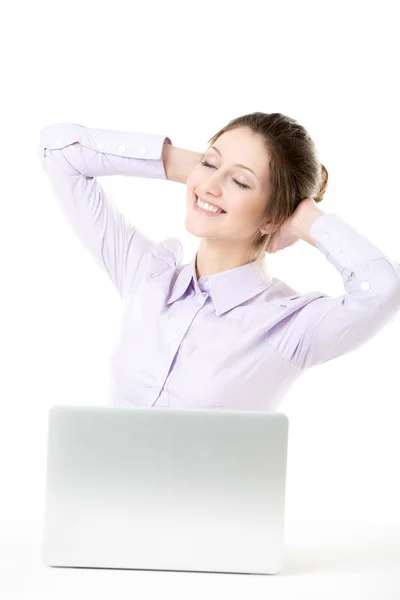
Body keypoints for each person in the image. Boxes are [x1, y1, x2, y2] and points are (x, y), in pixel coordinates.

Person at [38, 112, 400, 412]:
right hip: (98, 496)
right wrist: (185, 167)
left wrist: (306, 218)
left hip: (210, 502)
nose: (211, 184)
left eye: (241, 182)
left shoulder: (288, 327)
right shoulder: (145, 274)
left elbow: (383, 290)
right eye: (209, 162)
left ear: (273, 218)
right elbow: (58, 150)